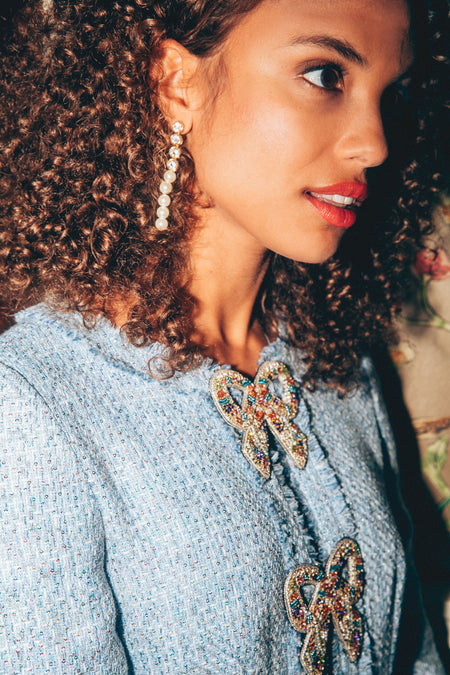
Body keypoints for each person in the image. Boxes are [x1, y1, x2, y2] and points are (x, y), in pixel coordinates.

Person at [0, 0, 448, 672]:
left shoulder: (338, 365)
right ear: (176, 82)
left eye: (390, 93)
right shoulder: (32, 404)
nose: (375, 144)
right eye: (326, 75)